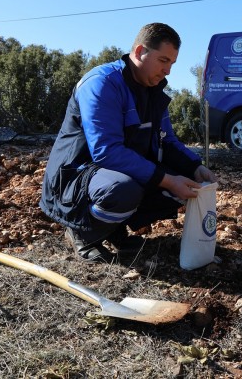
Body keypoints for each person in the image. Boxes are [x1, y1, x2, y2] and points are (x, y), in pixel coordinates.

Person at [39, 22, 217, 263]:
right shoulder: (102, 83)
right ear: (139, 51)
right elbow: (106, 151)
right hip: (74, 179)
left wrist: (195, 168)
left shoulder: (153, 92)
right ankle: (82, 230)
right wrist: (167, 180)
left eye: (172, 63)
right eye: (163, 60)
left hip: (111, 175)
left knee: (186, 184)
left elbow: (168, 142)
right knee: (124, 189)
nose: (168, 71)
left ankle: (113, 230)